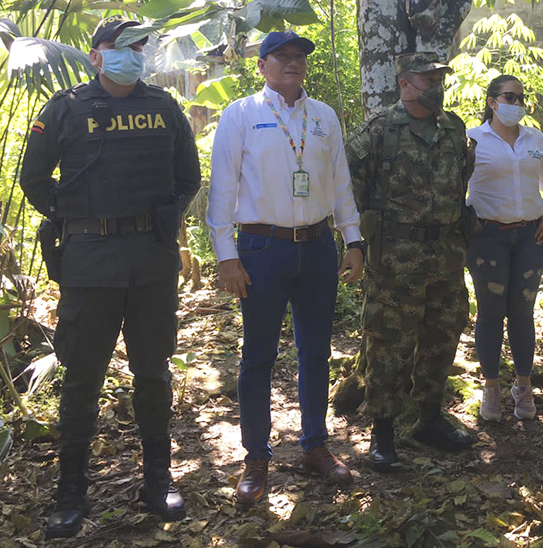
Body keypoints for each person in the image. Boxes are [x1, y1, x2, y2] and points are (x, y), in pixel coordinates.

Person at [19, 16, 201, 539]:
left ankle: (157, 480)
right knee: (81, 379)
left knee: (154, 372)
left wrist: (168, 215)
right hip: (90, 263)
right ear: (96, 54)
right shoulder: (65, 109)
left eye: (140, 47)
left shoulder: (164, 108)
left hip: (149, 262)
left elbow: (187, 177)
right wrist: (74, 218)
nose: (135, 54)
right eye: (123, 46)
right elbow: (33, 179)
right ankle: (70, 492)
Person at [207, 31, 365, 503]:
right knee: (258, 356)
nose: (292, 63)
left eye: (299, 57)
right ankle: (256, 457)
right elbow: (222, 188)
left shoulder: (323, 117)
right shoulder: (242, 114)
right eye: (282, 57)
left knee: (316, 352)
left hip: (316, 247)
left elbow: (340, 182)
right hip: (261, 248)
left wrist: (352, 240)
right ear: (262, 66)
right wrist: (226, 255)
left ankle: (315, 445)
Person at [345, 52, 476, 472]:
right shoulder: (380, 130)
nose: (435, 85)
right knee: (388, 345)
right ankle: (382, 435)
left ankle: (429, 420)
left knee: (442, 337)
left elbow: (462, 181)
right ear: (404, 83)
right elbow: (347, 187)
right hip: (396, 260)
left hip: (445, 255)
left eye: (439, 77)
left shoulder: (454, 129)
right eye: (426, 78)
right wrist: (357, 243)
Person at [467, 75, 543, 422]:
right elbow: (454, 183)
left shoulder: (533, 137)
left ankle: (523, 386)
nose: (517, 104)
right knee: (491, 312)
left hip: (529, 237)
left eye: (522, 99)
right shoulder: (473, 139)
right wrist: (467, 218)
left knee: (522, 312)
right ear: (492, 102)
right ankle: (491, 387)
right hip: (487, 238)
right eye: (510, 97)